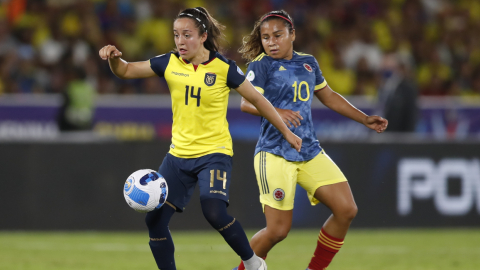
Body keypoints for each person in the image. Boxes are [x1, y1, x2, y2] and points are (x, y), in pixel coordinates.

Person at [98, 7, 302, 270]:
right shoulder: (169, 63)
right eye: (176, 35)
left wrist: (286, 131)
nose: (180, 41)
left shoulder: (224, 68)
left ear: (203, 36)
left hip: (213, 154)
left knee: (214, 212)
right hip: (178, 157)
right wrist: (113, 59)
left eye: (187, 35)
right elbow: (125, 71)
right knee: (155, 221)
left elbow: (258, 100)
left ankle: (254, 264)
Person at [233, 10, 388, 270]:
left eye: (277, 35)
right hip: (274, 152)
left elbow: (328, 96)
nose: (271, 42)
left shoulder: (308, 63)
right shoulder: (260, 65)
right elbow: (246, 103)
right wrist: (278, 112)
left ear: (292, 34)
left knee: (346, 209)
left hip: (309, 150)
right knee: (278, 231)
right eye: (266, 37)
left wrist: (363, 119)